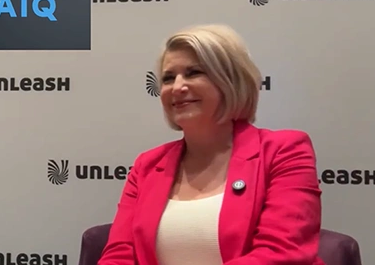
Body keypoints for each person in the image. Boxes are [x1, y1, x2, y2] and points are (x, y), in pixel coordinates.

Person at [98, 24, 324, 265]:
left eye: (194, 72)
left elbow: (282, 254)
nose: (177, 87)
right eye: (168, 78)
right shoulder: (147, 165)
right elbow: (119, 256)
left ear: (229, 81)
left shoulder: (284, 150)